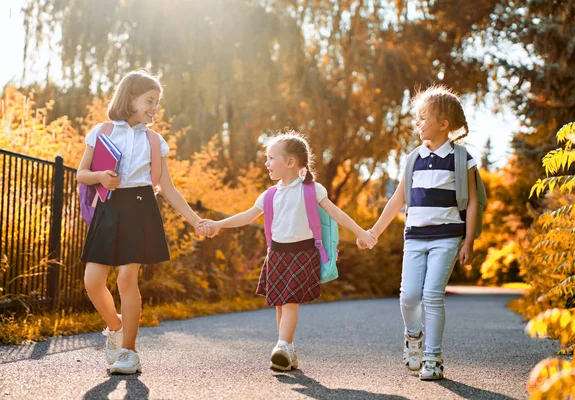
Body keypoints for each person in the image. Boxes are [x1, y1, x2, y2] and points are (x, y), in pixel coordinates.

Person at [197, 131, 377, 371]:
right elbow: (246, 217)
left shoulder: (312, 190)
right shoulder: (270, 194)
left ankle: (281, 345)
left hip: (302, 254)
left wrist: (360, 232)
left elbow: (337, 214)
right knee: (280, 304)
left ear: (290, 162)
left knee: (290, 301)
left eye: (271, 158)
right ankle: (287, 349)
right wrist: (219, 224)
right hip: (277, 254)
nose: (266, 163)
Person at [77, 70, 204, 374]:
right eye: (149, 101)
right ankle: (116, 327)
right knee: (92, 281)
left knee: (126, 279)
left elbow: (168, 189)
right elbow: (82, 174)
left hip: (139, 207)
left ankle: (129, 352)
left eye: (157, 103)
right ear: (129, 98)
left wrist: (196, 221)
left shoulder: (154, 140)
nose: (154, 108)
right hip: (109, 208)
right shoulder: (102, 131)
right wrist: (99, 177)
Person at [360, 85, 478, 380]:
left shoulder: (461, 159)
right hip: (414, 236)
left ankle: (433, 357)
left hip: (448, 236)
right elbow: (398, 199)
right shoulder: (413, 159)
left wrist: (469, 241)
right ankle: (414, 337)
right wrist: (374, 230)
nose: (418, 122)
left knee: (432, 295)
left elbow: (474, 201)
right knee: (409, 296)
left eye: (423, 117)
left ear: (443, 124)